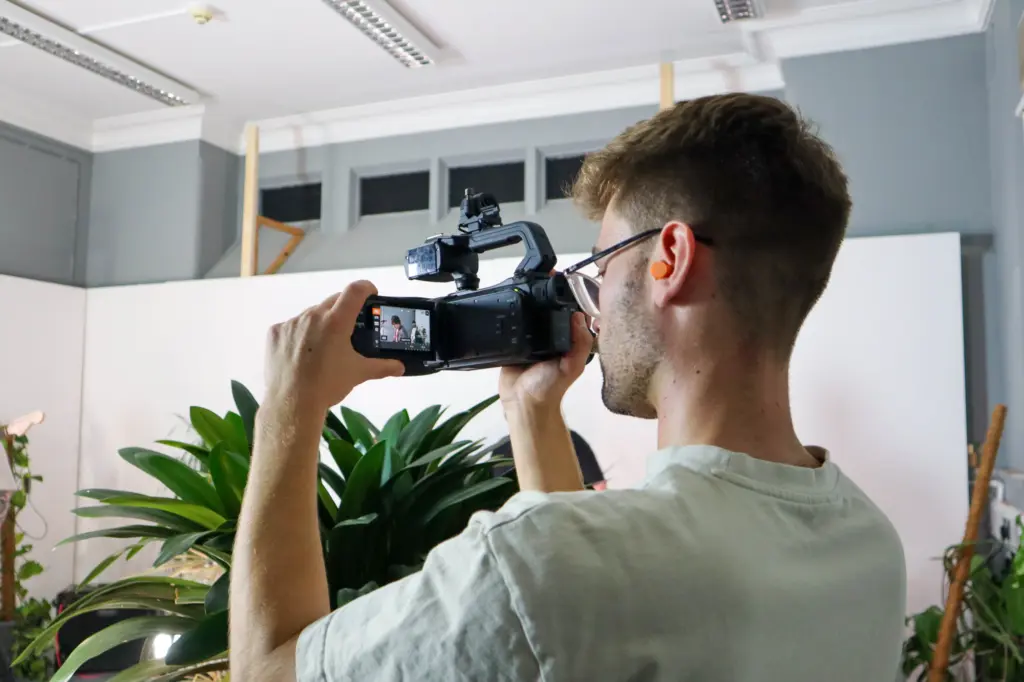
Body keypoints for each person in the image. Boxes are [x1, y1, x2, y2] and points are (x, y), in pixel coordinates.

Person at [230, 94, 907, 682]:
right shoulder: (867, 542)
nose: (592, 304)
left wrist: (289, 408)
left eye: (603, 265)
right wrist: (533, 414)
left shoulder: (537, 560)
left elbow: (267, 671)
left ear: (670, 259)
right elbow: (583, 627)